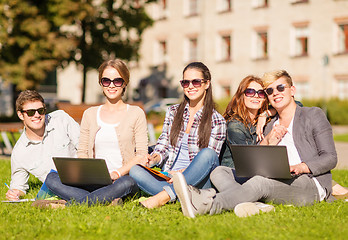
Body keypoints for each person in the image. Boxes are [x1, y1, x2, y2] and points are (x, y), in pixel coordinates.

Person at [174, 69, 338, 218]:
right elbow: (256, 161)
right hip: (274, 177)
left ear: (292, 90)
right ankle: (254, 204)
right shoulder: (268, 125)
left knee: (259, 183)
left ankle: (205, 204)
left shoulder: (312, 115)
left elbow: (330, 157)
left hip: (308, 182)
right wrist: (268, 141)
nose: (275, 93)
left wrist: (300, 167)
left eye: (280, 88)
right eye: (270, 91)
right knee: (219, 171)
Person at [42, 59, 148, 208]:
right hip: (93, 181)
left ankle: (67, 205)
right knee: (52, 178)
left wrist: (117, 173)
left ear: (125, 83)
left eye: (117, 81)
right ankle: (107, 200)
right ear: (101, 83)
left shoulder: (136, 113)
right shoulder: (90, 114)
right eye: (106, 81)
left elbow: (142, 155)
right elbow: (83, 151)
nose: (111, 85)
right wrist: (85, 175)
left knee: (128, 182)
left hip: (121, 180)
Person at [129, 62, 226, 208]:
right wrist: (153, 158)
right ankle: (178, 195)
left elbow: (208, 161)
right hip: (168, 176)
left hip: (198, 180)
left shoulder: (217, 120)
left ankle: (164, 196)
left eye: (196, 82)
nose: (190, 86)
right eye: (186, 82)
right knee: (135, 170)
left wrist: (180, 175)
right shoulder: (173, 112)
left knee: (208, 154)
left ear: (207, 84)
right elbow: (163, 145)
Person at [6, 90, 80, 201]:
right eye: (31, 112)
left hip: (81, 176)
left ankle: (91, 197)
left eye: (40, 111)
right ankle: (101, 198)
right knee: (52, 180)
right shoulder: (19, 152)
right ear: (20, 115)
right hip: (59, 186)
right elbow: (18, 186)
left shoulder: (61, 119)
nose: (37, 115)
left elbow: (84, 145)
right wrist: (14, 193)